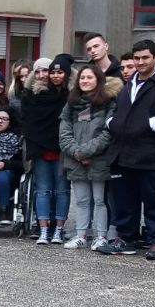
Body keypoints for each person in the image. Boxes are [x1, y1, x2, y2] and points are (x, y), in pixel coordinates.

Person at [105, 38, 155, 261]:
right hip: (123, 153)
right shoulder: (129, 83)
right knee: (124, 201)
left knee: (154, 202)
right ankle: (126, 239)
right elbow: (119, 110)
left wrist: (151, 123)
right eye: (137, 58)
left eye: (145, 58)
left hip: (152, 155)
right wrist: (112, 122)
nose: (140, 62)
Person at [59, 64, 119, 251]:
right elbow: (64, 131)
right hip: (75, 159)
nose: (85, 81)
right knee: (82, 200)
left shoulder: (109, 102)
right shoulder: (71, 103)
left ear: (98, 80)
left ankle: (101, 236)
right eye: (82, 78)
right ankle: (81, 235)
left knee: (100, 200)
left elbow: (108, 133)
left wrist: (86, 151)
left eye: (89, 77)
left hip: (98, 160)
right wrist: (76, 152)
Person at [23, 54, 73, 244]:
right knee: (43, 190)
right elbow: (28, 122)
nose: (51, 75)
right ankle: (43, 230)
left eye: (57, 72)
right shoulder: (34, 95)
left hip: (62, 149)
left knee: (62, 190)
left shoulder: (69, 96)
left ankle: (59, 229)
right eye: (50, 72)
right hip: (40, 149)